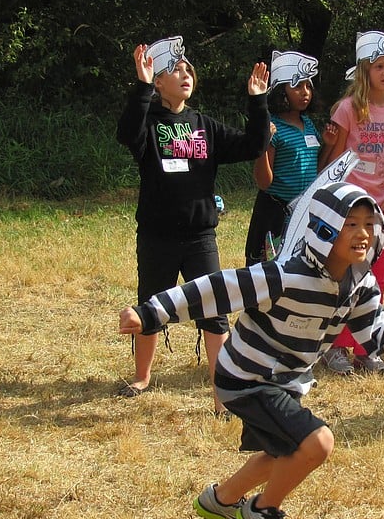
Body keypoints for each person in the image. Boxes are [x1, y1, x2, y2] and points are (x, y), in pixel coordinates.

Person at [118, 182, 384, 519]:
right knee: (317, 443)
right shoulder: (284, 276)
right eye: (350, 223)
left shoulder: (360, 284)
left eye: (369, 224)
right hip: (245, 378)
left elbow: (375, 337)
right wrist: (151, 312)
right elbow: (217, 289)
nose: (362, 233)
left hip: (287, 381)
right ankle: (260, 510)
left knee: (281, 454)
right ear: (324, 228)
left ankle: (219, 501)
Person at [115, 36, 271, 412]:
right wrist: (141, 84)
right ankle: (142, 376)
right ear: (158, 82)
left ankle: (222, 395)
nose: (185, 74)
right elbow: (126, 134)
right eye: (175, 70)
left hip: (201, 236)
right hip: (157, 235)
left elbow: (254, 143)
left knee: (214, 312)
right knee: (151, 305)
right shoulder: (149, 122)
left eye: (188, 70)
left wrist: (257, 99)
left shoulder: (205, 125)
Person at [318, 31, 384, 375]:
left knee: (377, 277)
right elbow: (336, 160)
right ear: (365, 70)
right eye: (379, 66)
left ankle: (367, 346)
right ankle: (335, 346)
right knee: (344, 276)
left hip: (383, 208)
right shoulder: (348, 109)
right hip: (351, 206)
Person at [244, 51, 321, 265]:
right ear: (281, 91)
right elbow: (263, 182)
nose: (305, 92)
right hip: (275, 216)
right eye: (297, 86)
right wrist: (264, 143)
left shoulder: (309, 125)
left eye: (308, 86)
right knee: (270, 274)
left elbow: (317, 168)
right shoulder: (274, 127)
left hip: (305, 212)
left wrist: (331, 144)